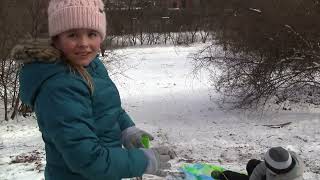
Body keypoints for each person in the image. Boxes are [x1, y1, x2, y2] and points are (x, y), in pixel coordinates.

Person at [13, 0, 174, 179]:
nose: (84, 43)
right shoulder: (59, 88)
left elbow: (104, 107)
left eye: (92, 34)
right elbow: (86, 159)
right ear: (57, 39)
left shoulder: (91, 65)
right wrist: (143, 161)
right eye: (73, 34)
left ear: (101, 37)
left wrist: (127, 130)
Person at [212, 147, 304, 180]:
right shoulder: (284, 158)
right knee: (252, 163)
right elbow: (261, 167)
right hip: (271, 176)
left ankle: (224, 176)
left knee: (233, 176)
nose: (265, 164)